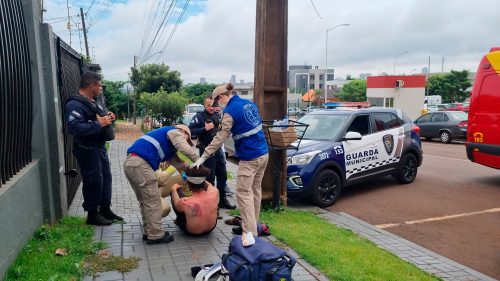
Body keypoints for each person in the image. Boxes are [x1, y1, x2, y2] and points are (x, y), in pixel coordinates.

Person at [192, 83, 269, 246]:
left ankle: (249, 234)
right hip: (263, 153)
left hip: (250, 157)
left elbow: (221, 136)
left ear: (221, 97)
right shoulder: (248, 103)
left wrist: (204, 155)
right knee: (255, 190)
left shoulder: (230, 112)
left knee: (242, 192)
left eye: (217, 102)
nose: (217, 105)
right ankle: (253, 226)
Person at [123, 124, 199, 244]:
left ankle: (149, 231)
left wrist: (193, 171)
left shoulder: (166, 143)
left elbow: (179, 163)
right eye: (186, 138)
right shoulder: (174, 131)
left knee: (145, 201)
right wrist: (199, 161)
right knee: (153, 201)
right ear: (182, 131)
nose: (185, 140)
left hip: (130, 164)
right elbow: (185, 148)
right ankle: (156, 235)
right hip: (141, 164)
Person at [65, 71, 123, 226]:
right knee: (93, 180)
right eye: (99, 85)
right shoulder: (75, 104)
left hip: (99, 147)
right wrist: (100, 124)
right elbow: (74, 127)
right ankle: (92, 214)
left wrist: (109, 117)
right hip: (86, 148)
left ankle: (105, 209)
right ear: (91, 85)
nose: (101, 88)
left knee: (106, 178)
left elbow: (101, 116)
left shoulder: (94, 101)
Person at [189, 95, 235, 209]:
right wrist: (204, 129)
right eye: (208, 105)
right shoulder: (199, 117)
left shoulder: (218, 115)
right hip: (206, 150)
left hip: (218, 150)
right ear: (204, 105)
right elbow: (190, 130)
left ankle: (223, 200)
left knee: (223, 176)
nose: (211, 107)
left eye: (212, 105)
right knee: (210, 177)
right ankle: (210, 204)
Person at [170, 166, 219, 235]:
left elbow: (176, 203)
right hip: (211, 228)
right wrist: (198, 176)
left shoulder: (185, 202)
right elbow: (207, 184)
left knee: (176, 192)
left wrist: (173, 189)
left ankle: (178, 220)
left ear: (188, 184)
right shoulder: (214, 191)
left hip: (192, 232)